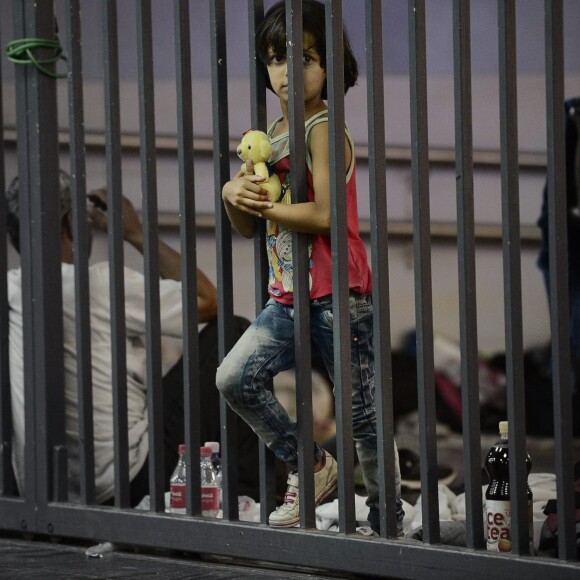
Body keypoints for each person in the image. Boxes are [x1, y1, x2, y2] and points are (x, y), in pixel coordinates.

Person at [216, 0, 404, 535]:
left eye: (304, 58)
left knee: (361, 415)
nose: (286, 72)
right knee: (234, 377)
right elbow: (249, 228)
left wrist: (262, 204)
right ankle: (314, 466)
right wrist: (234, 193)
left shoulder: (324, 126)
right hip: (287, 296)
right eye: (275, 59)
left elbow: (323, 213)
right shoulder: (271, 133)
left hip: (339, 293)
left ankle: (384, 521)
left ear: (330, 66)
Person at [6, 170, 261, 505]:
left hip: (47, 493)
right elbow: (208, 301)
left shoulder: (11, 288)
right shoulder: (97, 283)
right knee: (233, 334)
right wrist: (135, 233)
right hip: (129, 480)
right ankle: (253, 500)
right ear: (70, 224)